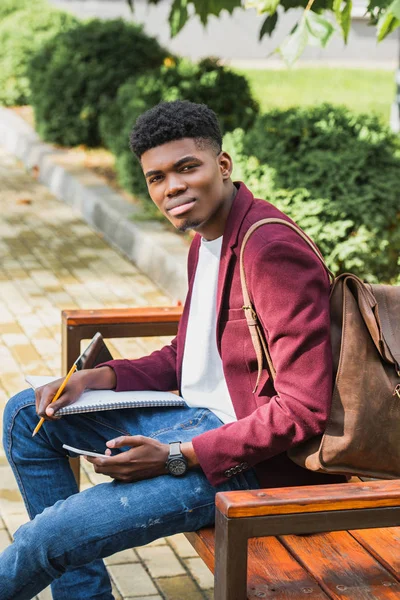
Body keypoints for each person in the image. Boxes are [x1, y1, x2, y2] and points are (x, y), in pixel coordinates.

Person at [1, 100, 345, 600]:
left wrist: (175, 458)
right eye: (156, 178)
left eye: (188, 168)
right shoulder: (206, 239)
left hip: (248, 463)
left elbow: (303, 408)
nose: (172, 188)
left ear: (222, 167)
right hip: (196, 419)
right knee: (21, 416)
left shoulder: (269, 251)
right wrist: (94, 378)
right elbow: (185, 357)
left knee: (50, 537)